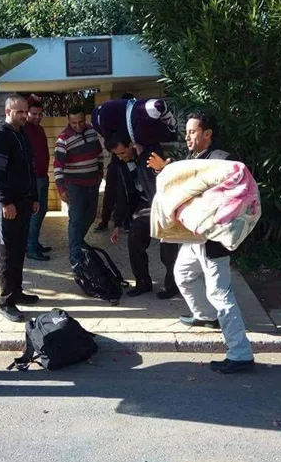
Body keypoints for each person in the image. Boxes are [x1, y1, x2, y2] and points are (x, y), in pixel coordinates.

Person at [147, 111, 255, 374]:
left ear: (208, 134)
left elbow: (228, 196)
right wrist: (165, 171)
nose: (187, 137)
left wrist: (168, 171)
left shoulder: (223, 161)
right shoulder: (196, 160)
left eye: (192, 132)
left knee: (220, 294)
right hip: (194, 238)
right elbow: (184, 188)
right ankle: (207, 316)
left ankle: (240, 353)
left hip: (213, 241)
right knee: (183, 275)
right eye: (186, 132)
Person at [106, 132, 179, 299]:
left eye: (123, 152)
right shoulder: (122, 165)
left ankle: (172, 285)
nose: (121, 157)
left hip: (164, 205)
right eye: (117, 155)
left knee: (167, 249)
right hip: (145, 207)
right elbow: (122, 195)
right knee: (134, 239)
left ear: (131, 145)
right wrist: (117, 224)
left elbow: (168, 178)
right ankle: (143, 282)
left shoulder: (150, 156)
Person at [0, 94, 40, 323]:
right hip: (7, 205)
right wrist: (5, 202)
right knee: (7, 254)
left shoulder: (22, 135)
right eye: (20, 112)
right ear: (7, 111)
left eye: (26, 111)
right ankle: (6, 301)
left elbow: (30, 168)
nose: (25, 115)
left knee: (18, 251)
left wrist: (34, 197)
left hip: (24, 203)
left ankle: (17, 292)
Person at [53, 105, 103, 268]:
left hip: (93, 183)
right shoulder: (63, 139)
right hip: (75, 187)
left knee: (90, 216)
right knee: (76, 219)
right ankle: (75, 255)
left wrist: (100, 173)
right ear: (68, 120)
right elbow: (58, 167)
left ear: (85, 118)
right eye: (74, 123)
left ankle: (78, 241)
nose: (78, 125)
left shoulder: (92, 131)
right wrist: (61, 189)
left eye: (80, 122)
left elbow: (99, 154)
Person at [94, 93, 135, 233]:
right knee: (110, 191)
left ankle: (125, 220)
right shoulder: (114, 122)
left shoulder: (132, 122)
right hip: (116, 161)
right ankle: (105, 220)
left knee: (127, 190)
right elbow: (108, 141)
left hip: (129, 160)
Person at [23, 94, 52, 261]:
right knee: (36, 212)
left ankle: (34, 242)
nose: (37, 117)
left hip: (43, 176)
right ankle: (31, 248)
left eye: (40, 114)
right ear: (27, 113)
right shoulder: (24, 129)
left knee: (42, 211)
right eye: (33, 114)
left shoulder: (39, 129)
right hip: (33, 179)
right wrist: (30, 98)